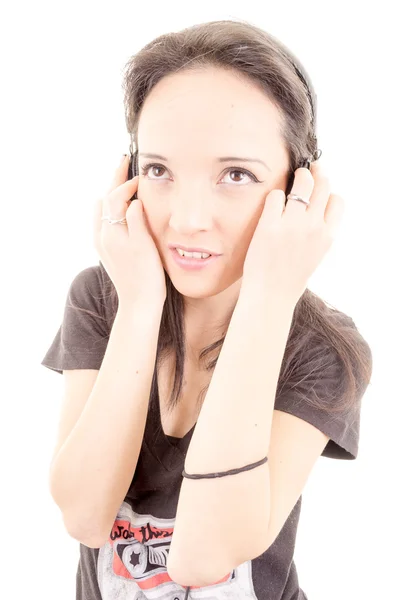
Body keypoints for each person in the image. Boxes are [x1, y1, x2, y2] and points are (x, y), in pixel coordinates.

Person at [41, 19, 372, 600]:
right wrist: (140, 303)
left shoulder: (322, 348)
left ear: (299, 189)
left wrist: (269, 300)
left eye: (236, 174)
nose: (188, 218)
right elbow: (85, 518)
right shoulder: (102, 297)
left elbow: (204, 557)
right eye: (159, 170)